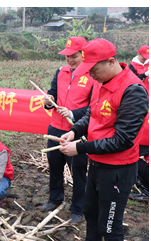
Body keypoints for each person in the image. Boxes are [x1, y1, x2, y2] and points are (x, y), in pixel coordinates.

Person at [59, 39, 149, 241]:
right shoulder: (101, 82)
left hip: (117, 169)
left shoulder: (133, 91)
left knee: (110, 225)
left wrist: (79, 147)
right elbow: (92, 113)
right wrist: (75, 131)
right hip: (97, 163)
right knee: (91, 212)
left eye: (93, 70)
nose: (90, 76)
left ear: (111, 62)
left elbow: (123, 140)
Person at [41, 36, 97, 224]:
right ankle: (55, 199)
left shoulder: (92, 76)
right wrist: (48, 101)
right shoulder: (61, 72)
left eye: (74, 56)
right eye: (67, 56)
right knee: (55, 167)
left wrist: (73, 114)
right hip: (55, 128)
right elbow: (53, 93)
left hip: (77, 132)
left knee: (78, 172)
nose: (70, 60)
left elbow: (92, 108)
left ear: (83, 54)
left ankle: (77, 209)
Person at [129, 45, 150, 201]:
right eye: (144, 56)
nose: (146, 58)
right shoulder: (131, 67)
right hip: (139, 106)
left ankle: (148, 189)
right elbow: (135, 81)